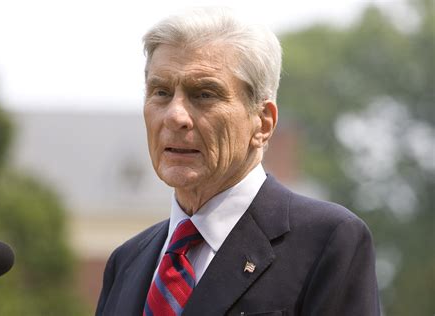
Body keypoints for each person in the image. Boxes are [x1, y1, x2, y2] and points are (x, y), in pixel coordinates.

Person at [96, 8, 380, 316]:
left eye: (204, 94)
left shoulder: (329, 242)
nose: (175, 116)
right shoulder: (126, 262)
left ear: (263, 123)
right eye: (161, 92)